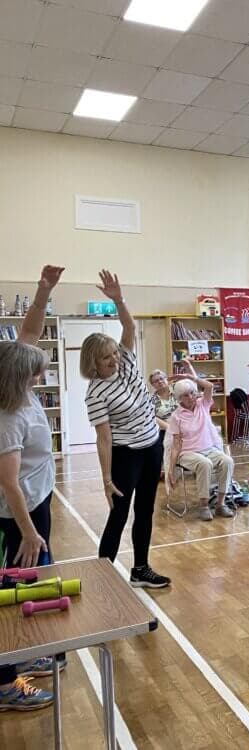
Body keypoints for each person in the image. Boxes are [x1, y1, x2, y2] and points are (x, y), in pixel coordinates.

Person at [0, 265, 64, 711]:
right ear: (22, 375)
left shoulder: (17, 385)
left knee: (34, 579)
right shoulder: (8, 416)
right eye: (37, 370)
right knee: (9, 588)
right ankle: (6, 683)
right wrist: (26, 530)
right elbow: (7, 482)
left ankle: (29, 651)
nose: (41, 373)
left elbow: (28, 333)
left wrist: (42, 291)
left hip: (34, 504)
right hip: (15, 513)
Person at [83, 270, 170, 589]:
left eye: (115, 354)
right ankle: (103, 576)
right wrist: (106, 479)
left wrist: (118, 299)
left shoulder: (127, 362)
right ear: (93, 362)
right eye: (107, 358)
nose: (114, 360)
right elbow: (103, 438)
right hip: (125, 456)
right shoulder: (95, 393)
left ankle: (141, 569)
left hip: (152, 447)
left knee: (145, 510)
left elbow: (129, 326)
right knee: (119, 515)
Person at [164, 360, 235, 522]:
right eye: (185, 395)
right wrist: (171, 468)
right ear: (179, 399)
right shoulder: (177, 416)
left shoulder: (202, 404)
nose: (190, 397)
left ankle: (220, 504)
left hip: (209, 449)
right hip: (187, 453)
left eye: (191, 393)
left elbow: (209, 386)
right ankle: (203, 506)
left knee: (227, 461)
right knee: (204, 463)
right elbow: (175, 445)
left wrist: (191, 376)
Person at [149, 369, 178, 437]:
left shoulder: (177, 390)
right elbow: (152, 416)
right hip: (165, 431)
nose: (160, 381)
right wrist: (170, 428)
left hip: (185, 427)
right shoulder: (150, 399)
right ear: (153, 385)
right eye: (156, 381)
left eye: (161, 378)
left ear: (166, 379)